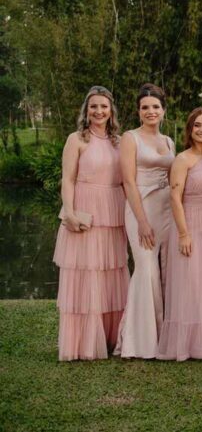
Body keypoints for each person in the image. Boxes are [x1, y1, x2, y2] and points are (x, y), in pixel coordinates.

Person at [54, 86, 130, 361]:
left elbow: (127, 180)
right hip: (86, 210)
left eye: (104, 107)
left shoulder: (120, 142)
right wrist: (70, 213)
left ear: (112, 111)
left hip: (113, 211)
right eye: (94, 107)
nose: (99, 111)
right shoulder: (76, 140)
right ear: (86, 111)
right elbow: (68, 179)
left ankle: (112, 338)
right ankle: (83, 343)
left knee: (111, 272)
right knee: (86, 273)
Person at [114, 83, 174, 359]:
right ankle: (140, 341)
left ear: (163, 111)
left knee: (162, 269)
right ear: (139, 112)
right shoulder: (130, 138)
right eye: (145, 107)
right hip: (141, 210)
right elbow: (128, 181)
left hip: (167, 211)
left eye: (155, 107)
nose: (151, 111)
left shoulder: (169, 141)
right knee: (146, 268)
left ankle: (164, 335)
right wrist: (141, 221)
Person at [157, 108, 202, 361]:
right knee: (189, 281)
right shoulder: (182, 159)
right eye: (198, 125)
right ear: (190, 129)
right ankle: (187, 343)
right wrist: (183, 233)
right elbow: (174, 196)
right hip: (190, 220)